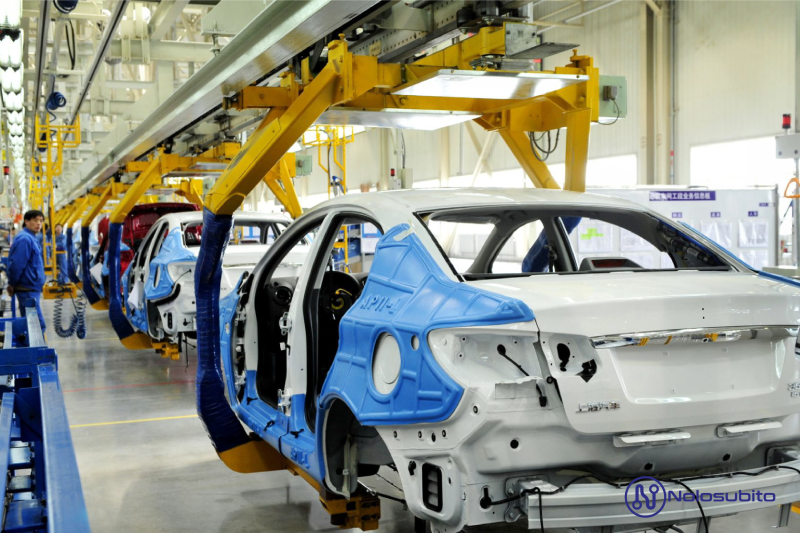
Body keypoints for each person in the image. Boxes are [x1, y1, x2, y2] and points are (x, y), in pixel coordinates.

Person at [7, 210, 46, 333]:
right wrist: (12, 284)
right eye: (35, 220)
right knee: (37, 326)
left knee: (32, 325)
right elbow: (17, 265)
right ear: (26, 221)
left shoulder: (31, 238)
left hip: (31, 288)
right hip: (27, 289)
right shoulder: (25, 239)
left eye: (41, 221)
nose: (38, 223)